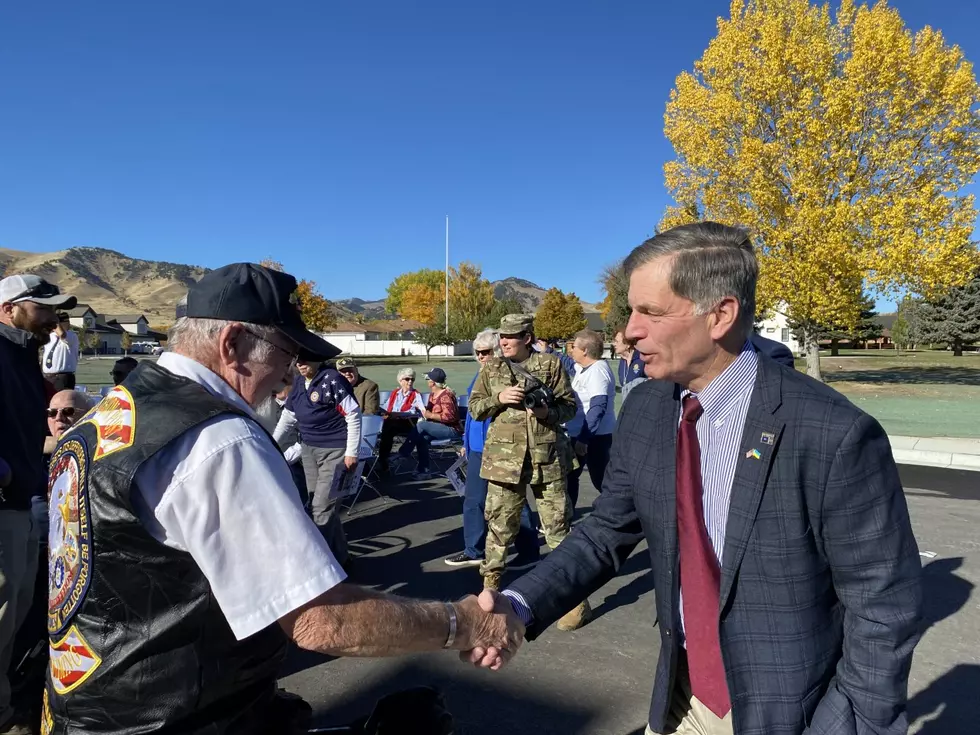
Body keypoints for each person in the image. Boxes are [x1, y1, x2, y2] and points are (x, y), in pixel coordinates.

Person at [471, 223, 922, 735]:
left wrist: (853, 725)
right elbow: (604, 532)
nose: (630, 331)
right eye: (631, 311)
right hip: (682, 693)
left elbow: (882, 604)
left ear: (721, 315)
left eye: (651, 312)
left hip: (789, 711)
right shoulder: (645, 407)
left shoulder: (832, 432)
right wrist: (518, 606)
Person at [44, 262, 522, 734]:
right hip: (180, 716)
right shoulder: (218, 440)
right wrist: (460, 623)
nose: (289, 372)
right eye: (284, 352)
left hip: (86, 706)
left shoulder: (105, 414)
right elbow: (321, 620)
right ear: (231, 344)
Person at [468, 314, 590, 630]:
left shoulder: (551, 365)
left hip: (547, 458)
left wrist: (547, 411)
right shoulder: (492, 367)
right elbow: (475, 407)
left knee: (558, 528)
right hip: (505, 462)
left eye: (511, 336)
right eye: (501, 336)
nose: (504, 341)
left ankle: (573, 599)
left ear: (527, 336)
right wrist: (499, 398)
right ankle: (489, 594)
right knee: (499, 527)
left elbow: (570, 408)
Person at [0, 273, 75, 735]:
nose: (53, 317)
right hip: (5, 502)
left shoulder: (23, 356)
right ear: (9, 308)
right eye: (43, 307)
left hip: (25, 500)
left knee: (17, 615)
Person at [444, 329, 540, 570]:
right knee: (473, 500)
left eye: (485, 352)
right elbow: (473, 415)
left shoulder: (509, 375)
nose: (480, 356)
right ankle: (473, 549)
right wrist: (465, 444)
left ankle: (529, 551)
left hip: (501, 449)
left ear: (496, 351)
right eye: (476, 352)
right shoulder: (479, 376)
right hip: (476, 449)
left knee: (514, 500)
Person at [274, 354, 361, 568]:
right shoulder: (298, 383)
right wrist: (273, 443)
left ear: (317, 360)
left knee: (321, 508)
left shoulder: (332, 379)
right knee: (319, 504)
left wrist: (352, 452)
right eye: (298, 361)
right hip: (309, 449)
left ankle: (321, 565)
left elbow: (353, 414)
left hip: (334, 449)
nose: (301, 364)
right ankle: (342, 558)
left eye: (305, 360)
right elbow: (289, 417)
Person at [564, 329, 616, 514]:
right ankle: (566, 518)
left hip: (595, 437)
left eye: (574, 347)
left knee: (602, 481)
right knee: (570, 475)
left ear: (585, 350)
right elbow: (569, 364)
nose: (571, 350)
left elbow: (598, 407)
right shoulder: (584, 368)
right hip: (580, 434)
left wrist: (584, 439)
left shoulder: (598, 371)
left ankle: (618, 519)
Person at [395, 367, 462, 479]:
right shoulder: (432, 395)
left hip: (452, 429)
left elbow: (450, 417)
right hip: (438, 427)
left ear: (432, 382)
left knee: (421, 425)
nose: (426, 381)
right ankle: (424, 470)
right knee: (422, 438)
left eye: (428, 379)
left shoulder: (446, 395)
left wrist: (430, 415)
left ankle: (403, 453)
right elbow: (432, 412)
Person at [377, 367, 426, 473]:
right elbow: (386, 407)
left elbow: (420, 412)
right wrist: (382, 412)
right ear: (400, 380)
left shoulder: (416, 394)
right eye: (407, 379)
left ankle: (383, 460)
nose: (410, 382)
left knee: (388, 428)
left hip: (408, 424)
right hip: (392, 422)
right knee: (387, 427)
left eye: (412, 379)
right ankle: (382, 459)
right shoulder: (395, 393)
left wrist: (398, 414)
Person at [41, 312, 80, 392]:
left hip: (63, 377)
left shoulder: (71, 336)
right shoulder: (50, 336)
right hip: (48, 377)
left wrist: (55, 323)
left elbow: (62, 334)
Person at [613, 328, 646, 401]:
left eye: (617, 341)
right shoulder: (622, 362)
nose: (614, 344)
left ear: (627, 344)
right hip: (627, 405)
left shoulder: (642, 359)